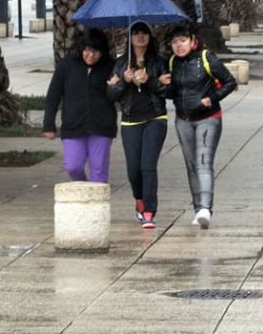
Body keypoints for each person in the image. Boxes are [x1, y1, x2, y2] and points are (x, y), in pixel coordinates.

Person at [158, 26, 237, 229]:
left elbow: (229, 81)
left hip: (208, 118)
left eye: (182, 40)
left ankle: (205, 209)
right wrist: (163, 84)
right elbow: (172, 93)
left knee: (203, 162)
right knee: (191, 166)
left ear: (192, 40)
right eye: (174, 42)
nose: (178, 45)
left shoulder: (206, 58)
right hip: (183, 119)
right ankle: (198, 209)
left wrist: (211, 99)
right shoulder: (173, 63)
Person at [107, 21, 169, 230]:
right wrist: (123, 81)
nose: (140, 36)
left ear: (150, 37)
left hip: (155, 118)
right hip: (130, 120)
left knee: (148, 166)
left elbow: (167, 91)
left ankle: (149, 211)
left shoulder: (159, 62)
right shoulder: (121, 64)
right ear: (130, 38)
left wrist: (150, 79)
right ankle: (139, 199)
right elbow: (111, 94)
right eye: (136, 33)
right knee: (134, 170)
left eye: (144, 33)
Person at [43, 29, 117, 183]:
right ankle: (83, 189)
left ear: (103, 52)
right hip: (73, 125)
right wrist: (48, 124)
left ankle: (96, 204)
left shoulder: (111, 66)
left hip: (102, 126)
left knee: (99, 171)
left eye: (96, 52)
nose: (90, 55)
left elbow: (117, 96)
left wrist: (117, 85)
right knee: (73, 167)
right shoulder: (67, 64)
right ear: (82, 48)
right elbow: (53, 94)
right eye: (88, 50)